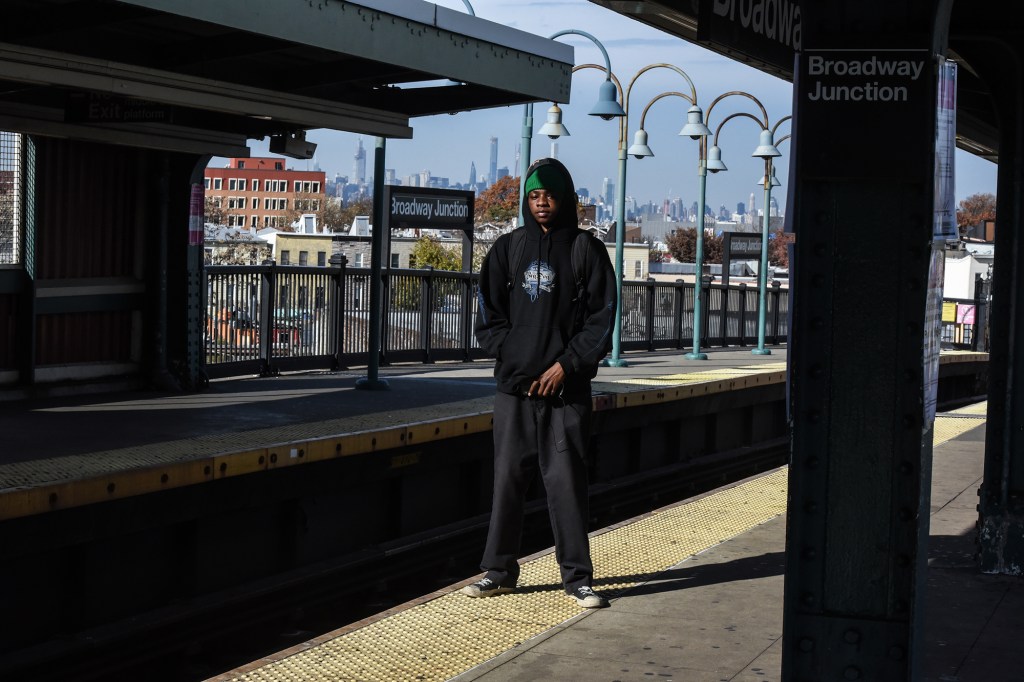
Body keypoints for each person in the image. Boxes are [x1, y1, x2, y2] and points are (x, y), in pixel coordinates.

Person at [463, 157, 617, 609]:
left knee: (566, 482)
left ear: (566, 198)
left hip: (565, 393)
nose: (542, 202)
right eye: (533, 195)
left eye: (549, 194)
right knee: (508, 479)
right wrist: (519, 361)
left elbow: (600, 321)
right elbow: (489, 321)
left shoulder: (586, 251)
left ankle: (578, 578)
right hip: (515, 392)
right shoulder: (506, 250)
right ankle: (499, 570)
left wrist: (565, 366)